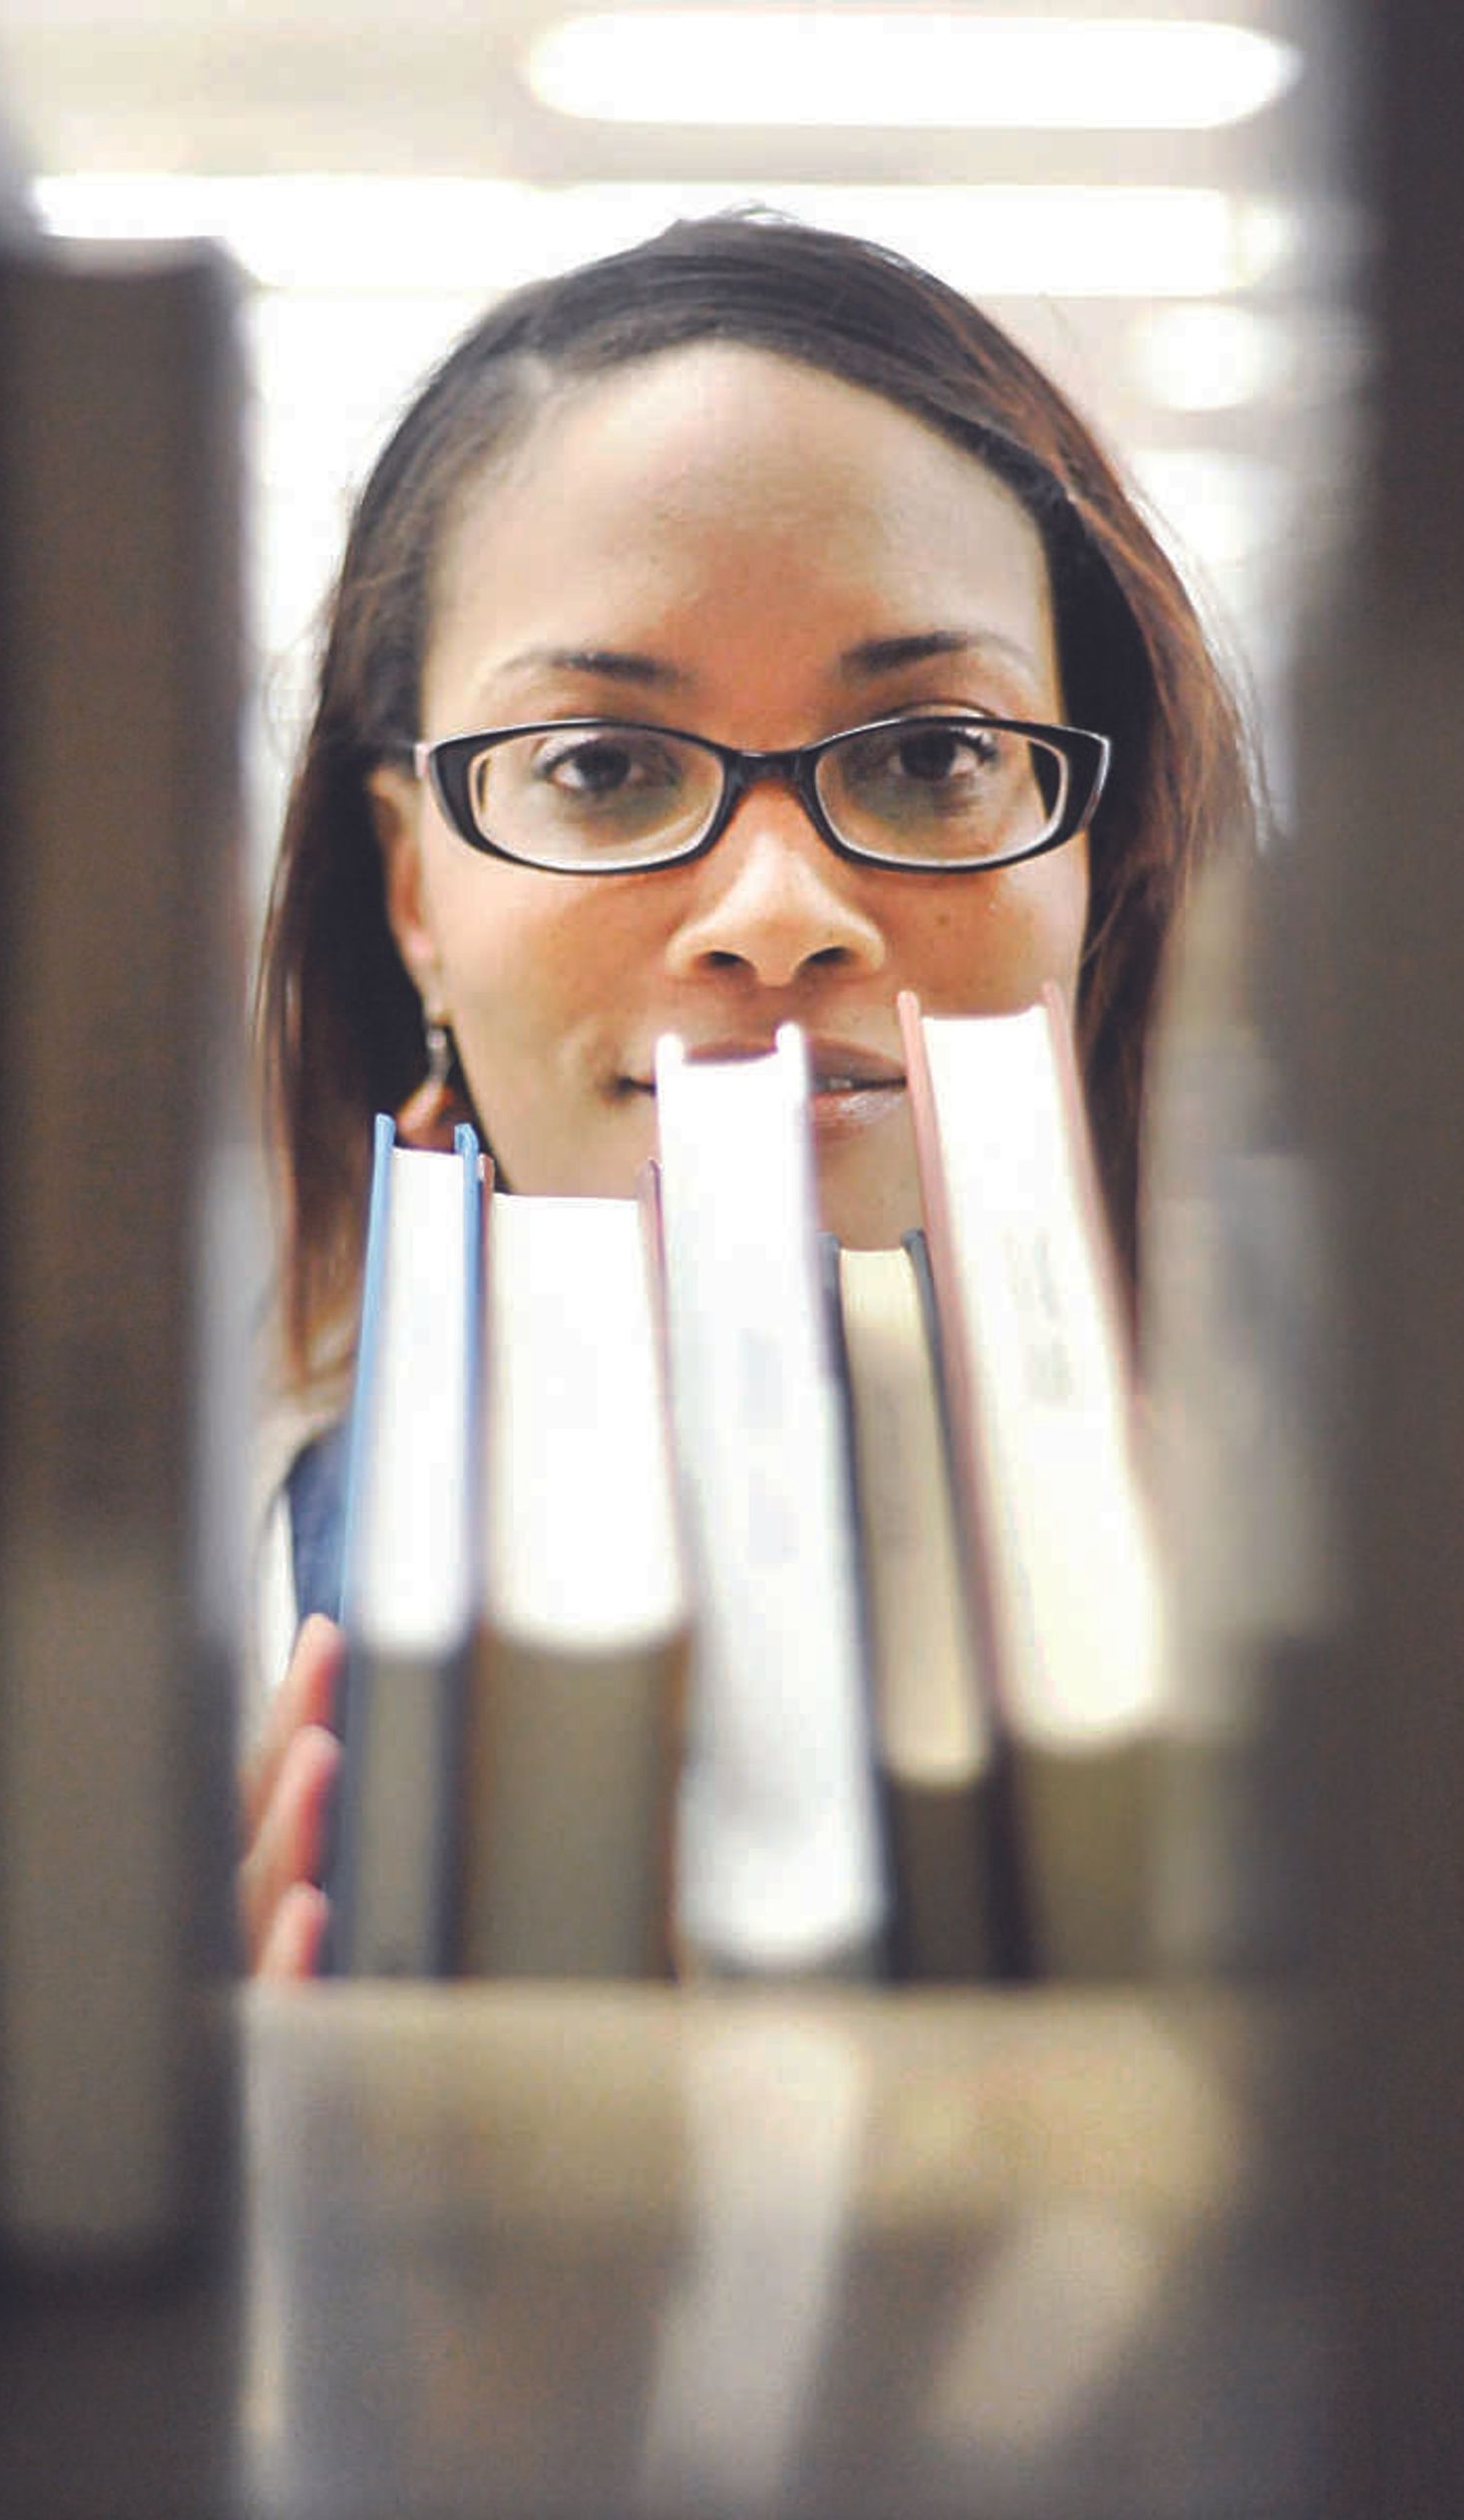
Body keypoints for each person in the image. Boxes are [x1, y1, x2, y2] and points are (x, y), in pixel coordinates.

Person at [240, 210, 1258, 1979]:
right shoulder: (162, 1657)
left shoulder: (1374, 1628)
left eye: (936, 753)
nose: (779, 914)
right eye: (604, 766)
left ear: (1101, 854)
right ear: (417, 893)